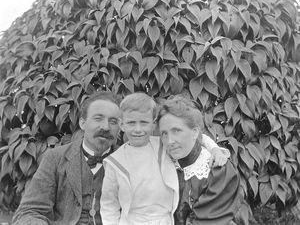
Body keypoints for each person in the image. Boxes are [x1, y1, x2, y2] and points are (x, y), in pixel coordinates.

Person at [100, 92, 230, 225]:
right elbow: (109, 205)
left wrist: (215, 149)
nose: (137, 129)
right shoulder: (115, 162)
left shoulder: (161, 144)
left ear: (153, 123)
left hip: (165, 220)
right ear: (122, 125)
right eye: (131, 123)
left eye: (144, 122)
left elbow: (197, 136)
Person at [12, 91, 121, 225]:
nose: (106, 127)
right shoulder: (55, 158)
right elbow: (30, 211)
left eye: (113, 121)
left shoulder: (129, 162)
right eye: (98, 118)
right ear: (82, 123)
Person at [157, 96, 240, 225]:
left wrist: (215, 149)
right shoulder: (161, 162)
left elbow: (208, 220)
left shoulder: (217, 171)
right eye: (164, 133)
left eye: (176, 131)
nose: (170, 141)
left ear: (195, 132)